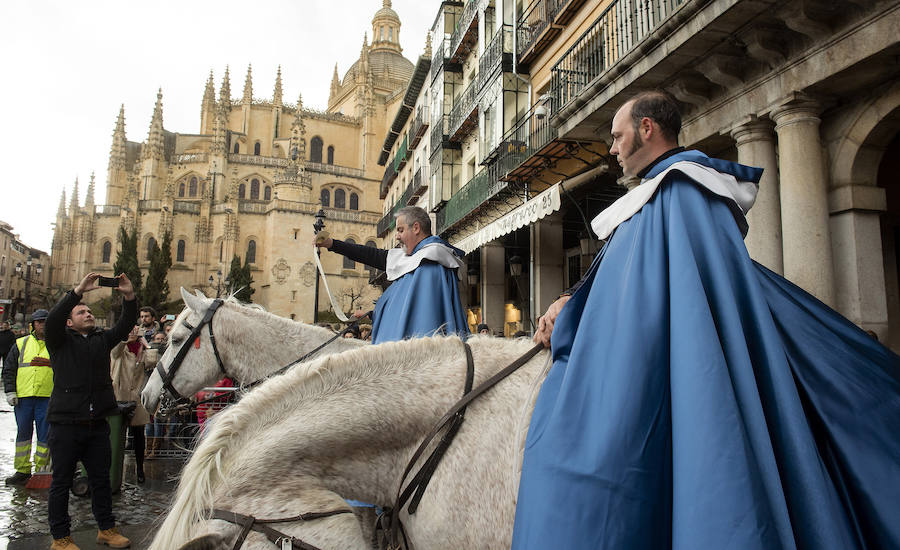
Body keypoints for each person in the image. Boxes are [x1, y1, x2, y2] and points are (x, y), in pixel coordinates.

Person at [513, 91, 900, 549]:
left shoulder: (683, 190)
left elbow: (641, 298)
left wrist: (572, 311)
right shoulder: (664, 193)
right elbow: (628, 281)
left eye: (617, 136)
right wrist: (569, 300)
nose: (613, 149)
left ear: (647, 129)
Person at [44, 272, 136, 550]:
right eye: (81, 311)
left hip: (97, 425)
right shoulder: (59, 341)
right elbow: (52, 321)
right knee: (61, 482)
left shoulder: (100, 340)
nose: (88, 313)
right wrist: (77, 292)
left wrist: (129, 296)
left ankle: (106, 529)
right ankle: (61, 537)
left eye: (89, 311)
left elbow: (124, 326)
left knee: (101, 480)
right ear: (69, 322)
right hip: (65, 424)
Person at [315, 206, 469, 343]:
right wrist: (331, 244)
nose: (396, 236)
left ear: (416, 228)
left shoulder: (430, 261)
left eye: (400, 230)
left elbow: (424, 322)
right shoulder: (416, 258)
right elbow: (371, 255)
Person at [2, 309, 52, 485]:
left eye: (46, 321)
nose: (43, 325)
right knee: (23, 434)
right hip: (24, 398)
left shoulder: (56, 344)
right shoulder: (21, 344)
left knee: (45, 436)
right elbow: (9, 369)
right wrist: (10, 391)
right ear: (33, 324)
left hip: (47, 397)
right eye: (40, 322)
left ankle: (42, 471)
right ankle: (22, 470)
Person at [110, 326, 151, 484]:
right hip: (119, 394)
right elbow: (114, 353)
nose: (133, 334)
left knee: (139, 435)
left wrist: (145, 343)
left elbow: (153, 361)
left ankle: (140, 469)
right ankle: (114, 468)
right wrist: (125, 339)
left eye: (135, 331)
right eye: (130, 330)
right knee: (116, 434)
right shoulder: (120, 347)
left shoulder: (142, 348)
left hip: (136, 396)